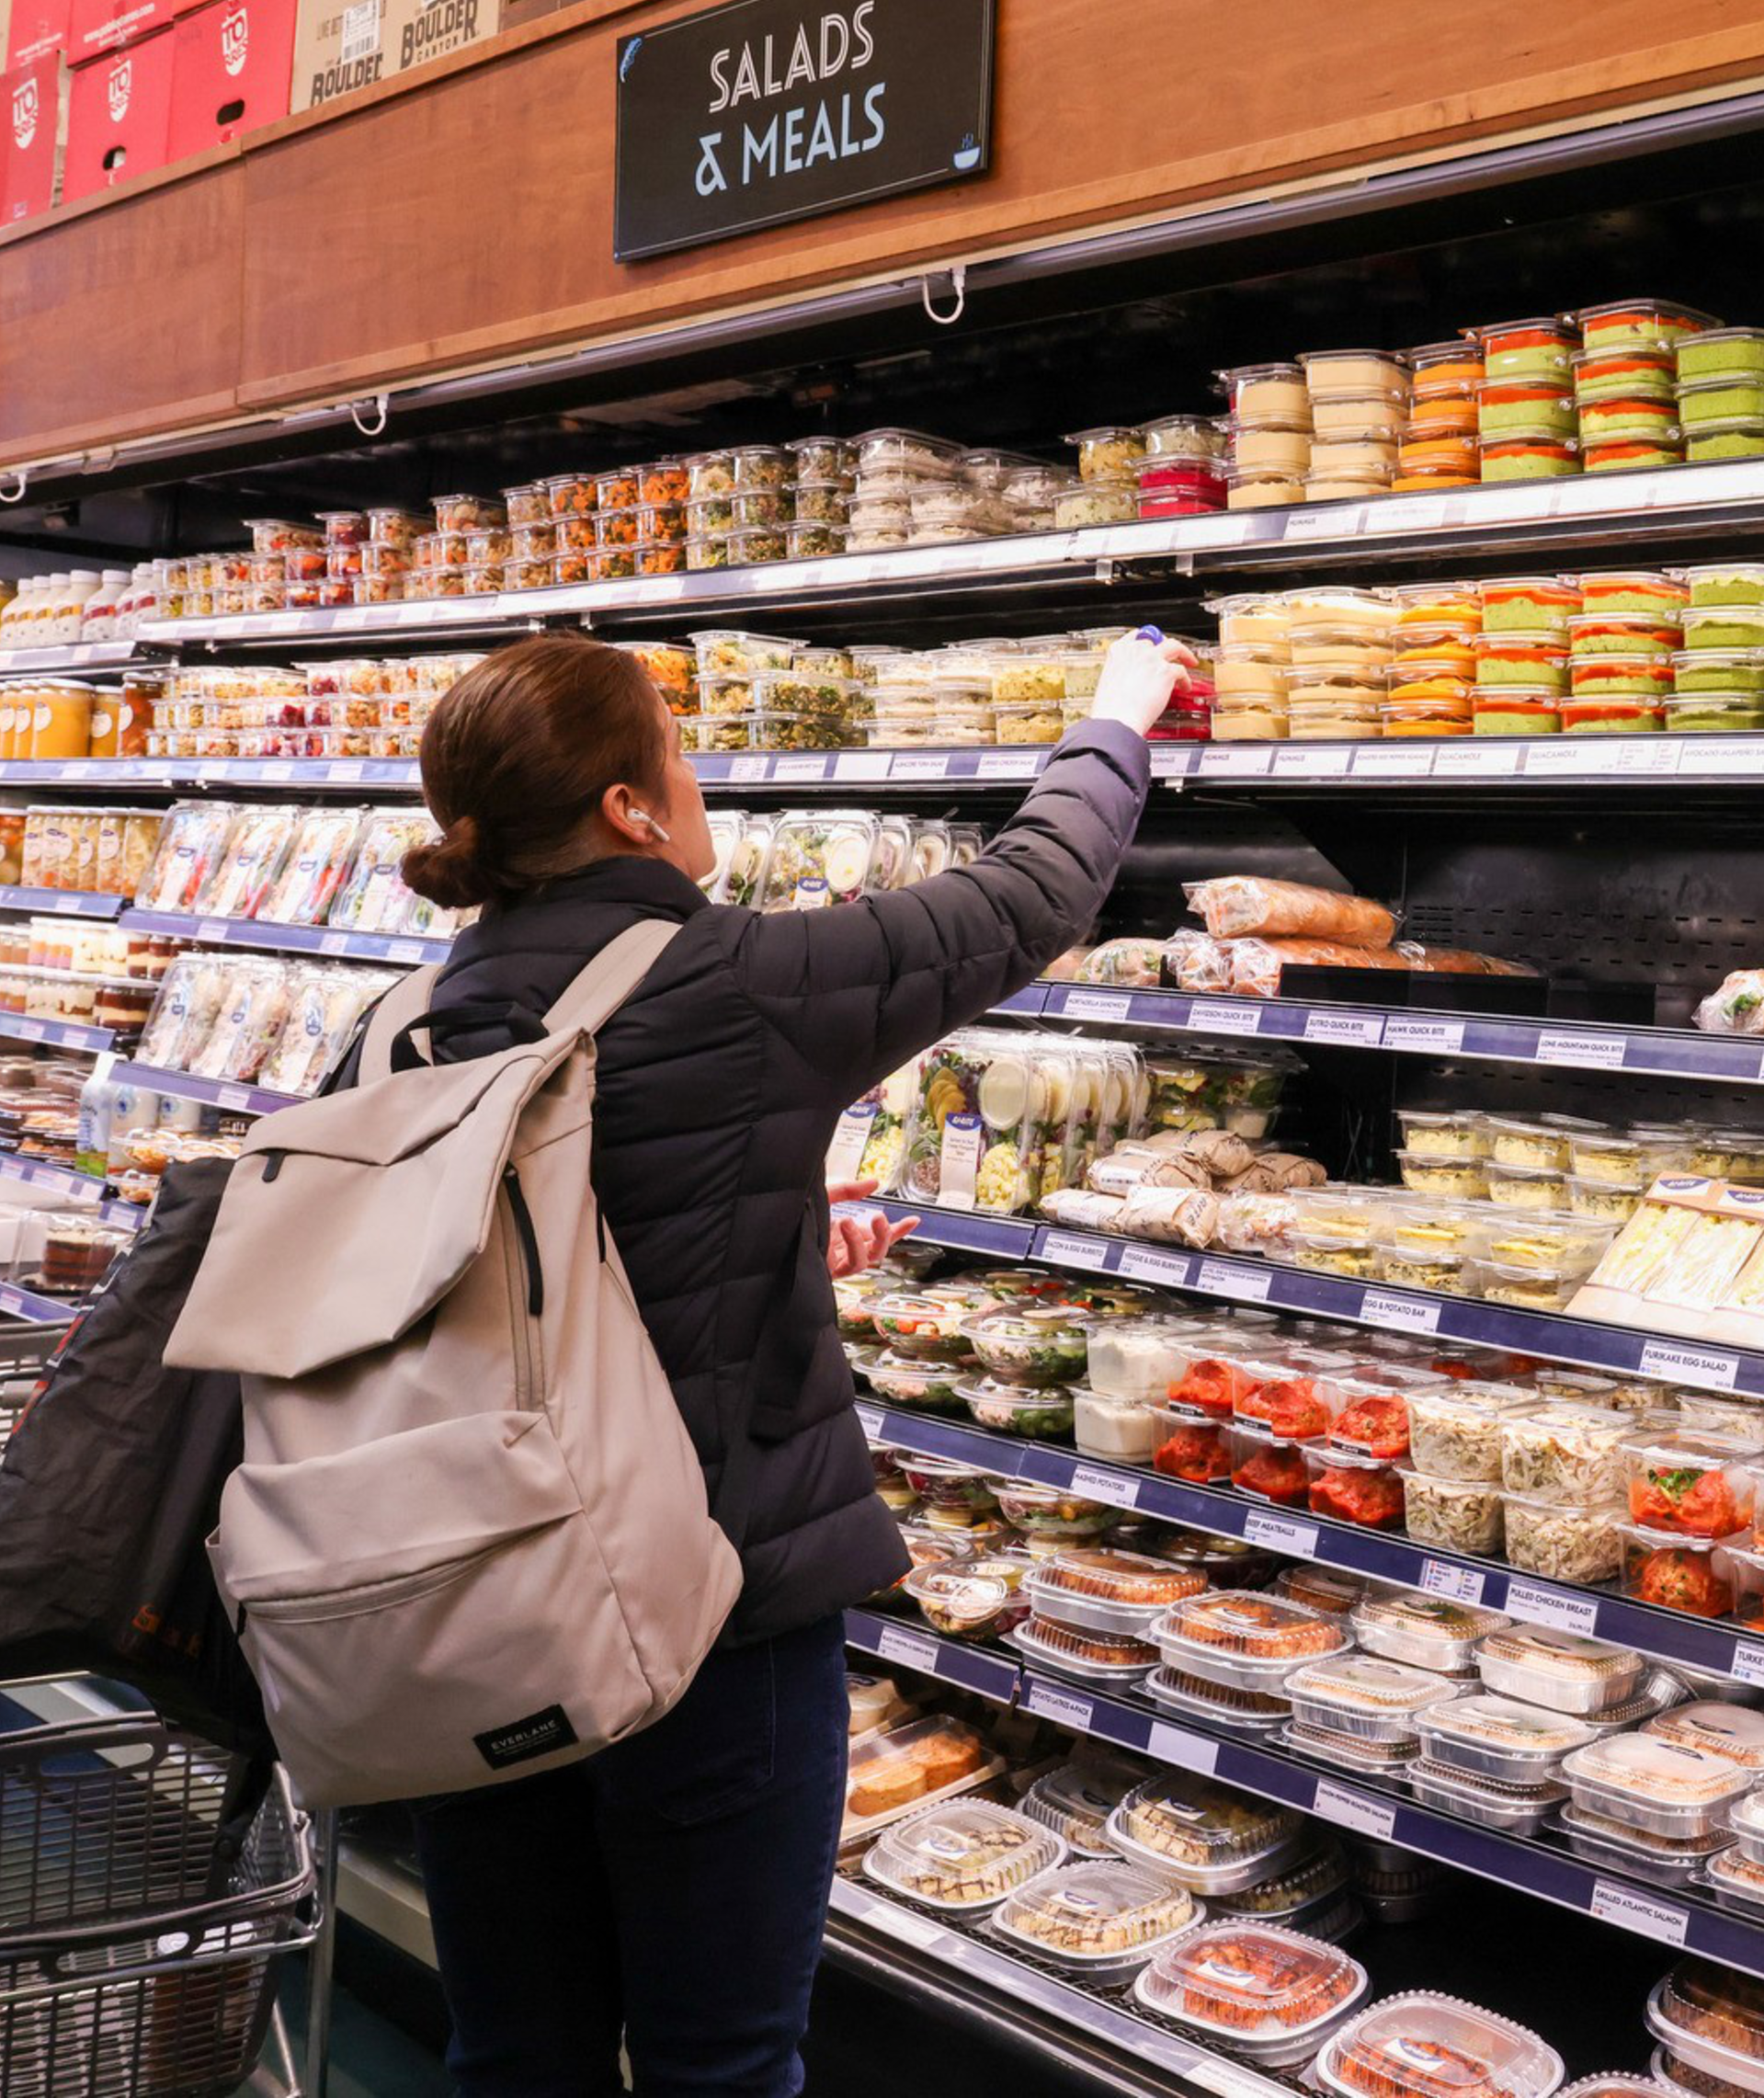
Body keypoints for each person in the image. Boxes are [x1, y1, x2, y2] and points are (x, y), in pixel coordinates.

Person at [382, 625, 1186, 2098]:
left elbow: (499, 1266)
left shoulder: (404, 1022)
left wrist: (760, 1239)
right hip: (704, 1611)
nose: (694, 786)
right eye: (676, 757)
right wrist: (1114, 716)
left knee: (515, 2049)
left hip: (465, 1604)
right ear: (632, 812)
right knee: (723, 2058)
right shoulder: (729, 978)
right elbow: (1024, 898)